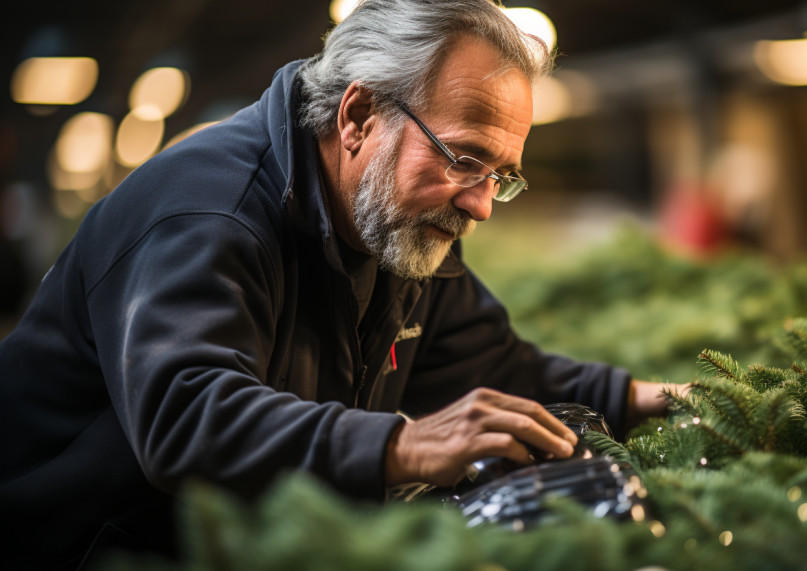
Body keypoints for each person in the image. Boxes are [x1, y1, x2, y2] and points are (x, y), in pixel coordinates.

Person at [0, 0, 688, 568]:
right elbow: (189, 414)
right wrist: (403, 445)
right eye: (464, 158)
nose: (481, 204)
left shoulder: (392, 221)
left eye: (500, 177)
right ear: (358, 118)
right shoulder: (210, 213)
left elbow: (493, 366)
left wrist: (663, 399)